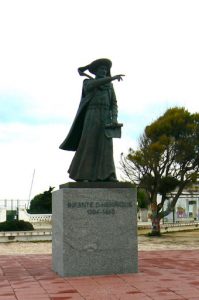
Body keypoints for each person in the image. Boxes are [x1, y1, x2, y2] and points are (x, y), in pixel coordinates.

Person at [59, 58, 124, 182]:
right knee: (89, 144)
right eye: (101, 69)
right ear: (95, 71)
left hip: (106, 117)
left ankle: (108, 174)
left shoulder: (109, 86)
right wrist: (112, 78)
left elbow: (114, 103)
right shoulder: (87, 82)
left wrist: (114, 118)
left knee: (107, 147)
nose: (104, 71)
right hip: (92, 115)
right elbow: (92, 86)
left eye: (106, 69)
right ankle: (83, 175)